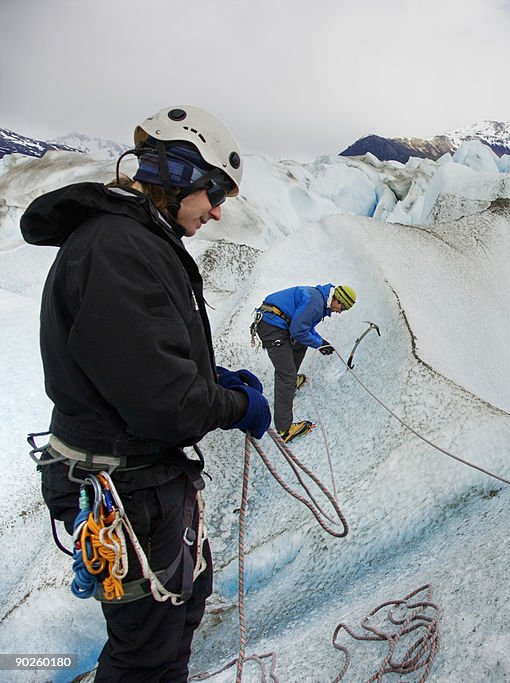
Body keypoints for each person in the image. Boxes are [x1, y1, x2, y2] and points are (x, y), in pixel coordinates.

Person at [20, 105, 271, 682]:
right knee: (146, 657)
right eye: (215, 193)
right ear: (181, 175)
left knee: (177, 610)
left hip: (139, 479)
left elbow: (141, 359)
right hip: (127, 486)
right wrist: (235, 406)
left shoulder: (131, 239)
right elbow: (167, 406)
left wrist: (213, 379)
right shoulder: (120, 249)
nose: (216, 210)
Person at [252, 283, 356, 442]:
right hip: (271, 328)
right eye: (342, 308)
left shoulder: (319, 298)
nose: (340, 312)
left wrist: (320, 341)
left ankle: (291, 381)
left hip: (275, 321)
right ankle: (284, 429)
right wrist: (319, 343)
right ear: (338, 300)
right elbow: (298, 330)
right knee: (285, 375)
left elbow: (303, 327)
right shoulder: (316, 303)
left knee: (301, 344)